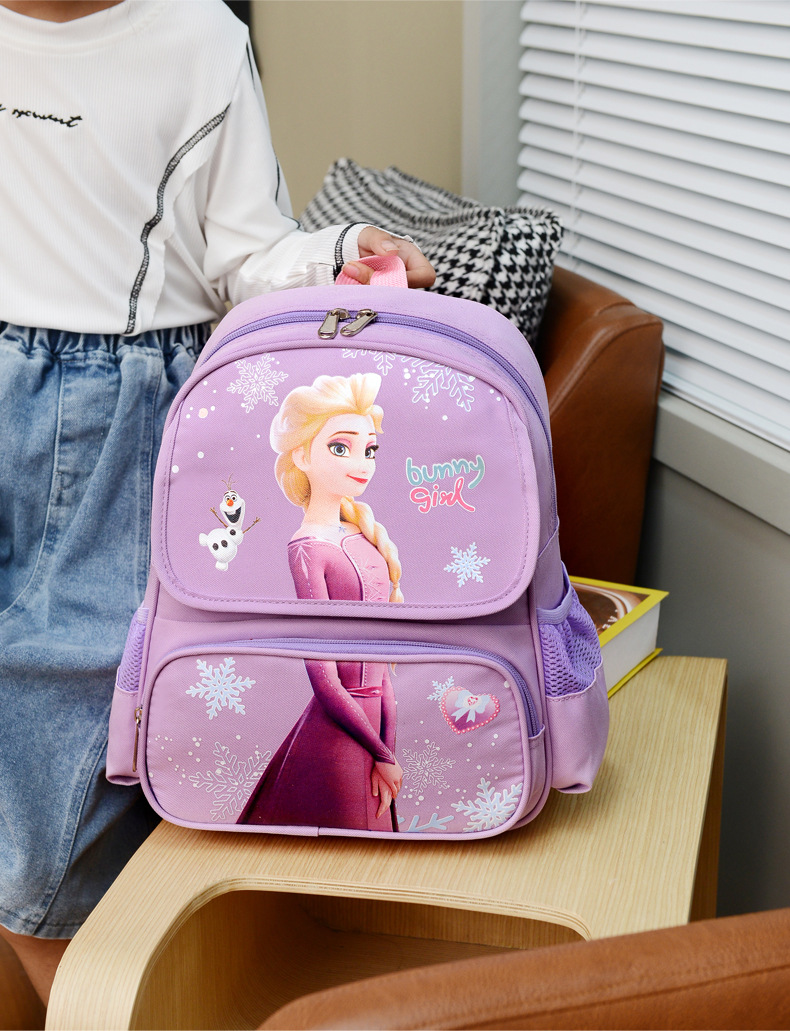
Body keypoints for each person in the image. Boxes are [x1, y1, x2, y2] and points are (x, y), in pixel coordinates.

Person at [0, 0, 434, 1005]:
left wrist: (336, 252)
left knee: (66, 696)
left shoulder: (196, 40)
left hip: (114, 411)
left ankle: (90, 993)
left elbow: (244, 253)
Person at [238, 373, 404, 832]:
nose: (362, 463)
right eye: (340, 447)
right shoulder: (308, 548)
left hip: (371, 726)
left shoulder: (360, 534)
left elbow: (382, 661)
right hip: (339, 733)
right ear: (302, 455)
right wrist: (383, 752)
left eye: (370, 450)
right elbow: (322, 674)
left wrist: (387, 746)